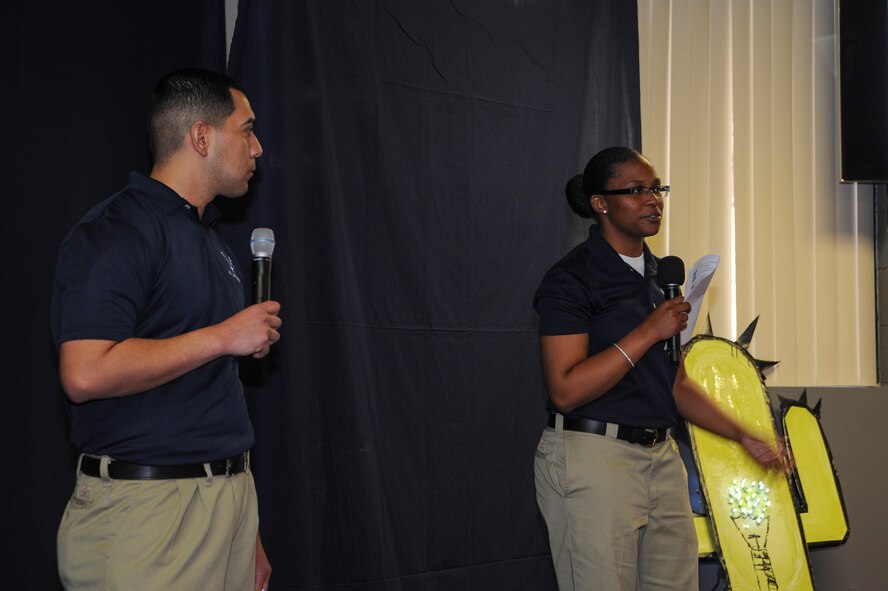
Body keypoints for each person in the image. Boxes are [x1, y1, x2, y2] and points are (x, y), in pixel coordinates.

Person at [52, 68, 278, 591]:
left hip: (225, 506)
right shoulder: (117, 231)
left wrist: (245, 526)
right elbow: (84, 373)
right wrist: (224, 336)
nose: (258, 148)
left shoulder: (209, 241)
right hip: (148, 515)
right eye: (247, 129)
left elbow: (209, 394)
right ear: (202, 136)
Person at [532, 146, 788, 590]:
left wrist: (744, 433)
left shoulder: (659, 275)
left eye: (657, 189)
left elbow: (676, 385)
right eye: (636, 190)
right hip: (594, 457)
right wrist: (648, 331)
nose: (654, 200)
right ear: (600, 203)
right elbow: (566, 390)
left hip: (662, 458)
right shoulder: (570, 279)